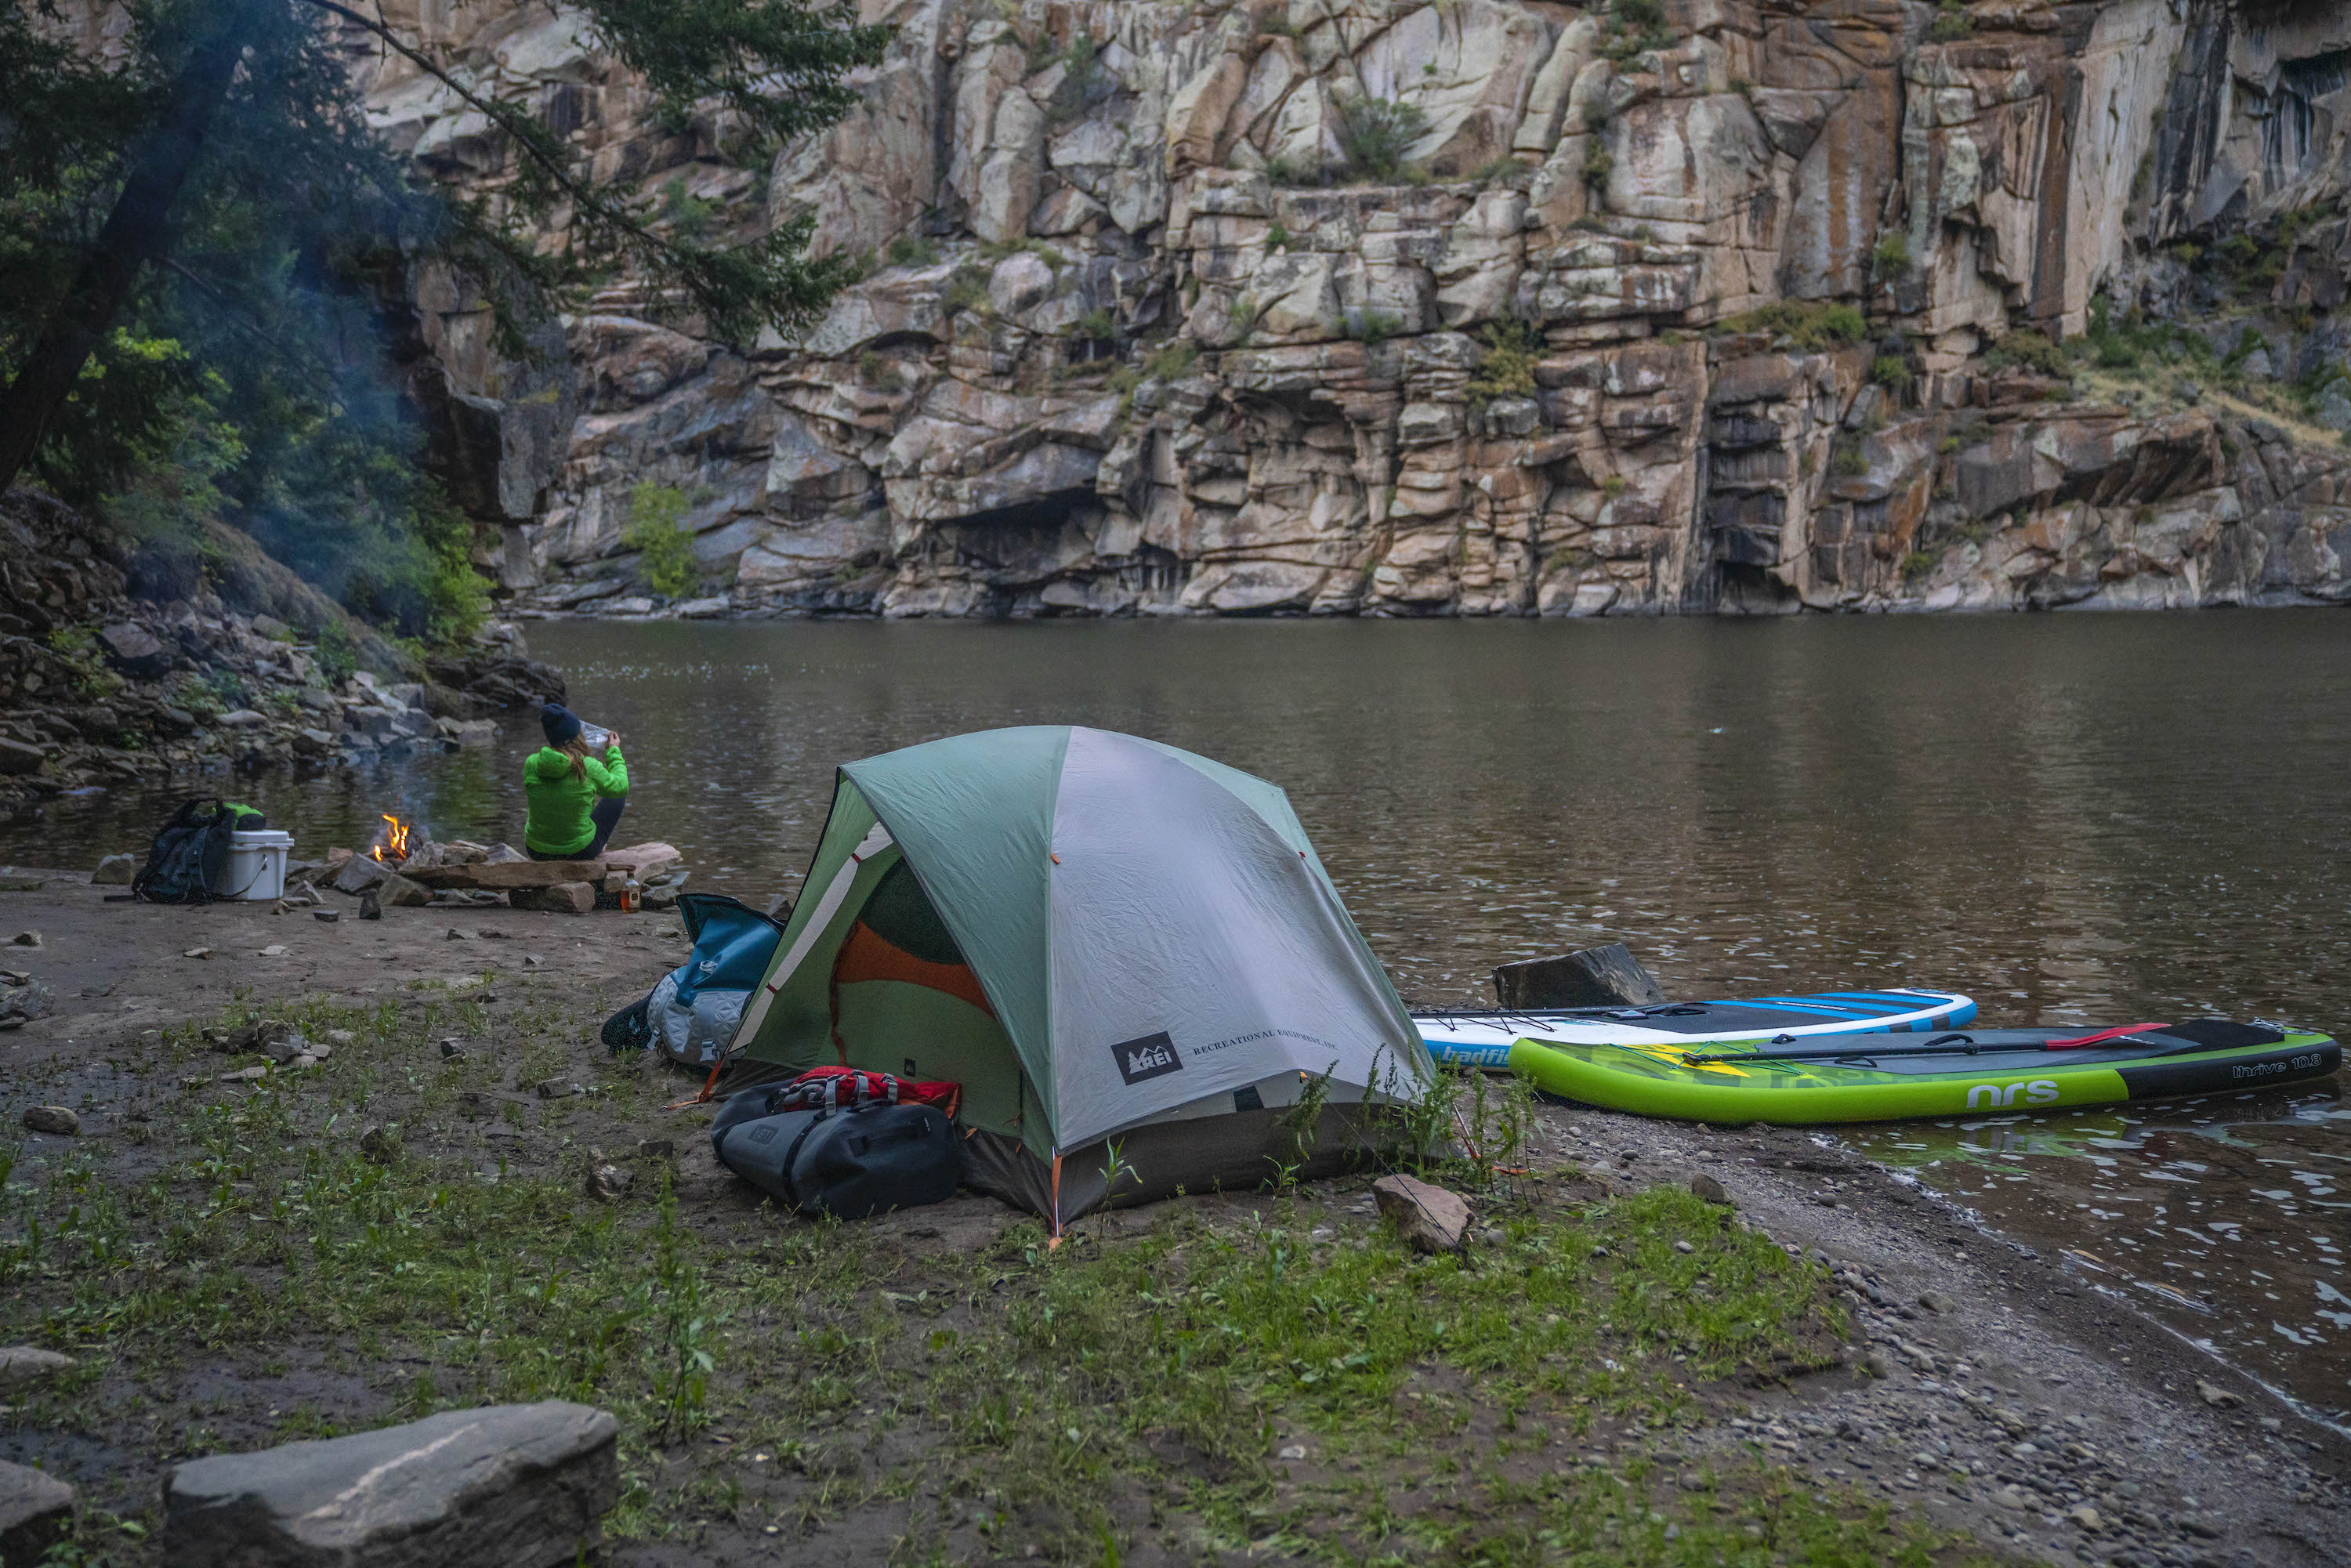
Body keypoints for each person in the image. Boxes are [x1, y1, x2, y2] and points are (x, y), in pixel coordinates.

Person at [524, 703, 629, 860]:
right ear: (576, 735)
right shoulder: (587, 766)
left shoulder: (532, 763)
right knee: (616, 797)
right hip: (580, 851)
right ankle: (597, 844)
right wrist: (613, 750)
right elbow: (621, 787)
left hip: (537, 851)